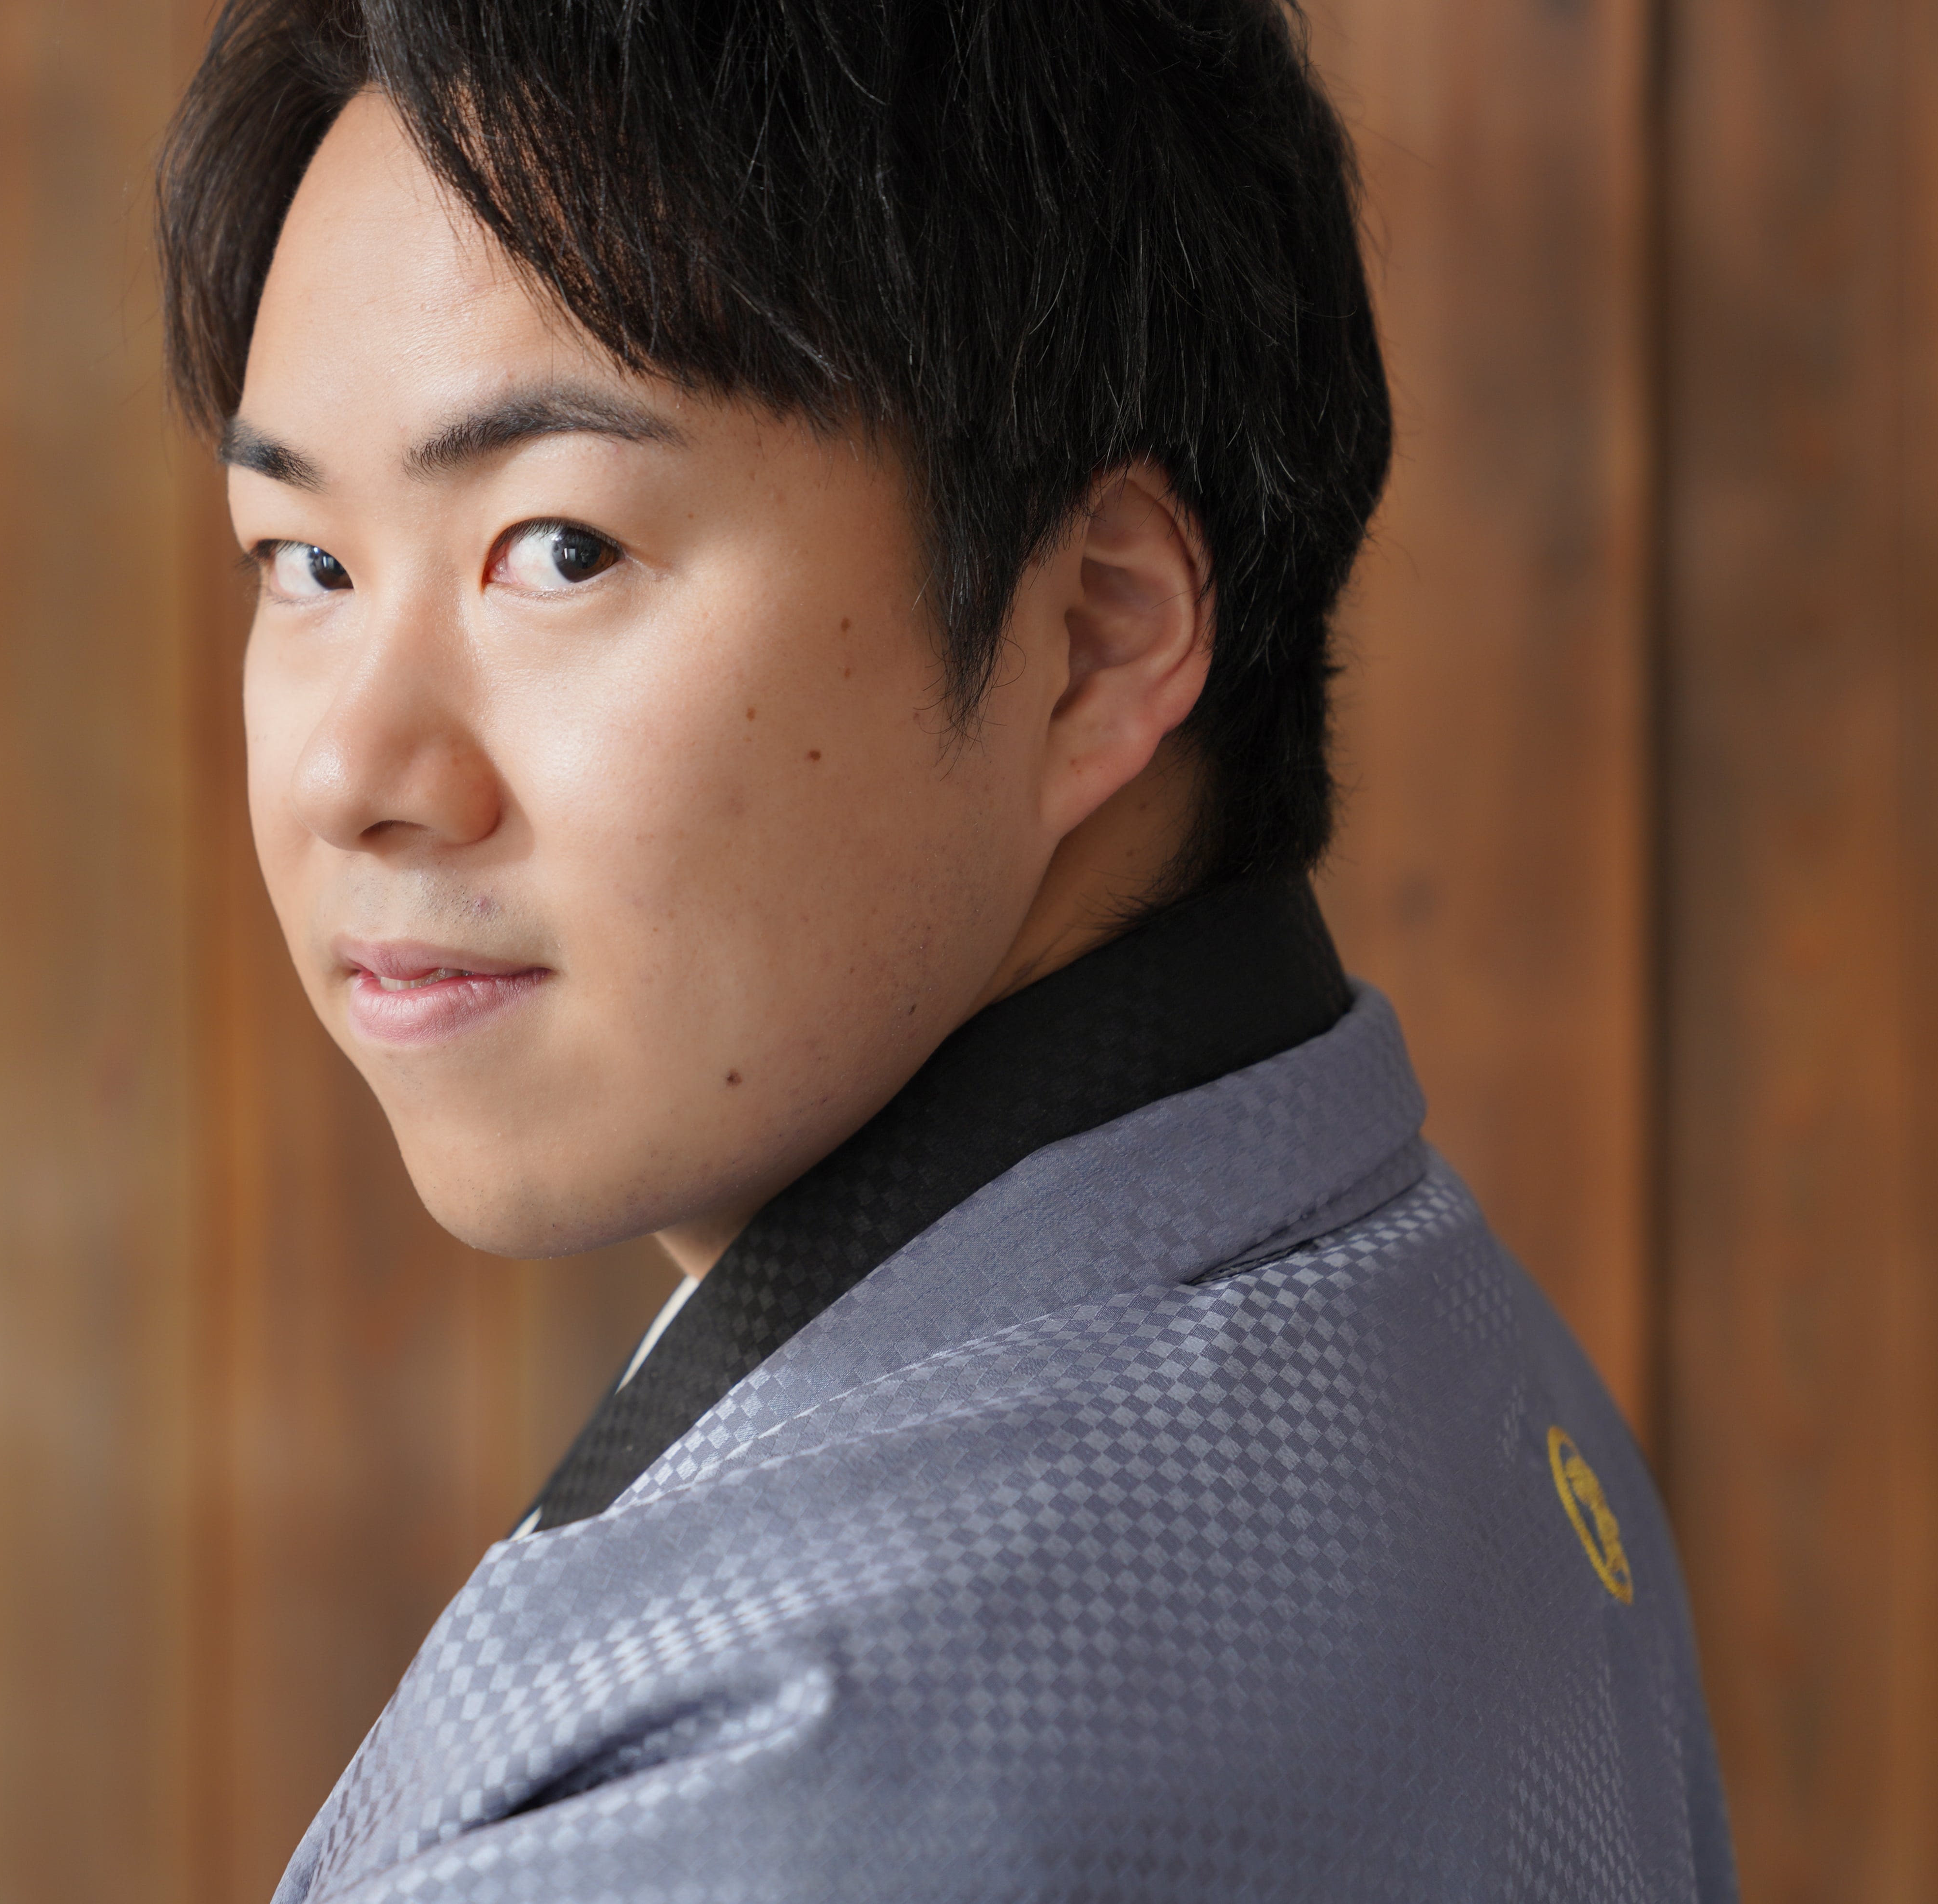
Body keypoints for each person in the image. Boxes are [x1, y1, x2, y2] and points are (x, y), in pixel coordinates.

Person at [158, 0, 1734, 1897]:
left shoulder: (760, 1790)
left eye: (559, 548)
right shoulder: (1451, 1341)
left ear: (1092, 634)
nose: (352, 776)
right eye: (303, 563)